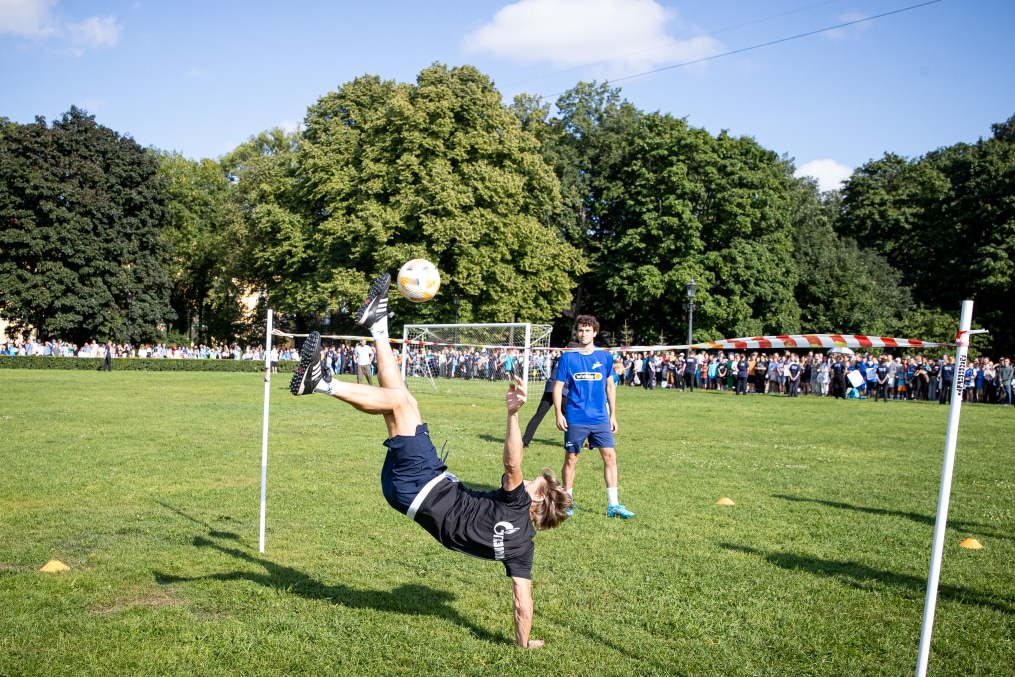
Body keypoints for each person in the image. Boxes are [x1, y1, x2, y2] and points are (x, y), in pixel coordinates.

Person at [289, 273, 570, 648]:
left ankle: (321, 382)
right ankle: (378, 324)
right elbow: (523, 602)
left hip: (425, 485)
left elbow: (512, 465)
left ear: (537, 499)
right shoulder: (523, 549)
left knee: (402, 403)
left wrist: (513, 414)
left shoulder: (519, 503)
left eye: (539, 482)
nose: (533, 480)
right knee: (400, 402)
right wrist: (523, 643)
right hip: (407, 495)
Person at [553, 315, 634, 519]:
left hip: (600, 418)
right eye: (580, 330)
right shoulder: (568, 357)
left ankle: (613, 505)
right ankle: (567, 503)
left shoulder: (605, 357)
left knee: (610, 457)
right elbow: (558, 386)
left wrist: (613, 415)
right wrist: (558, 413)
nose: (583, 333)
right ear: (577, 332)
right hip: (575, 416)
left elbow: (610, 386)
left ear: (594, 333)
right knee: (571, 458)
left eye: (588, 330)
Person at [521, 346, 573, 448]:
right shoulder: (570, 359)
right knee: (571, 417)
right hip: (560, 390)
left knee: (539, 415)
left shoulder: (561, 358)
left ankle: (524, 441)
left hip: (550, 388)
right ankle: (573, 441)